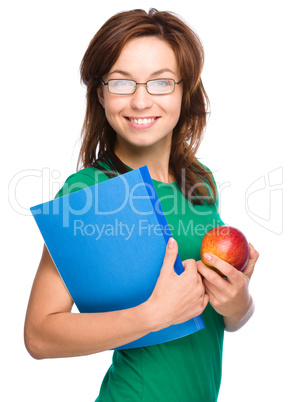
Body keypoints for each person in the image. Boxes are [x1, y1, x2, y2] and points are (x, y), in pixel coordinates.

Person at [24, 9, 259, 401]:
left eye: (161, 82)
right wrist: (151, 316)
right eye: (121, 82)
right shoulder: (88, 192)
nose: (139, 100)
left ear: (186, 92)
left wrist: (239, 302)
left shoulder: (199, 182)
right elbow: (39, 335)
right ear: (100, 94)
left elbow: (227, 320)